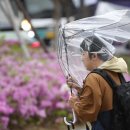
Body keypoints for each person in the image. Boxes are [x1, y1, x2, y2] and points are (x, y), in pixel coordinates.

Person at [66, 35, 128, 130]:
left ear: (94, 55)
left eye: (83, 54)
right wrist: (80, 88)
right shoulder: (115, 70)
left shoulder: (94, 78)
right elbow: (107, 96)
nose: (81, 58)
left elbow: (87, 113)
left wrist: (74, 103)